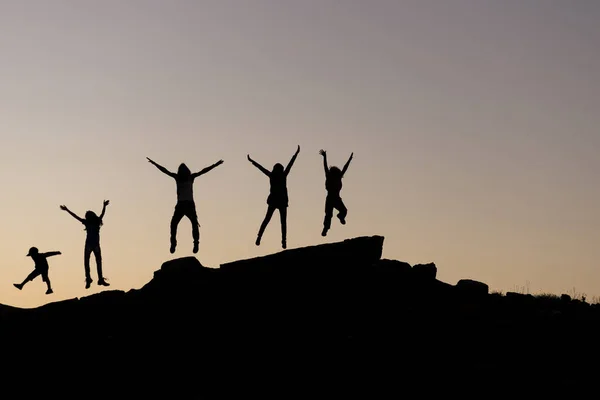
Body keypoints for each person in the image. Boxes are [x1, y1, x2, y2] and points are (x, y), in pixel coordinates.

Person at [147, 157, 224, 254]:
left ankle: (195, 243)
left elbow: (204, 171)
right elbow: (165, 170)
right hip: (182, 205)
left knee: (193, 224)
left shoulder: (190, 177)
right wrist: (155, 164)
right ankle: (174, 243)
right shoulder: (178, 177)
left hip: (188, 204)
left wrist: (215, 165)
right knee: (174, 224)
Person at [247, 145, 300, 249]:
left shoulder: (272, 175)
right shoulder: (282, 175)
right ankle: (283, 241)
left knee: (268, 220)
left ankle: (261, 237)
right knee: (282, 222)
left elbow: (260, 168)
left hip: (276, 201)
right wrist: (296, 154)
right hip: (280, 201)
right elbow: (290, 164)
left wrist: (252, 161)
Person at [60, 200, 110, 288]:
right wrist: (67, 210)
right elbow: (76, 216)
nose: (87, 217)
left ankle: (98, 279)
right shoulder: (90, 222)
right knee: (91, 262)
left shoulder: (95, 221)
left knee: (94, 262)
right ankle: (90, 279)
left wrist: (104, 206)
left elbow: (102, 214)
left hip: (93, 245)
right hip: (91, 245)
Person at [319, 149, 353, 237]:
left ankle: (340, 216)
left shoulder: (338, 177)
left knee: (344, 211)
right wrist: (325, 157)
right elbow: (325, 167)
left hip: (336, 198)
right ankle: (325, 229)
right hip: (330, 198)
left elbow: (345, 168)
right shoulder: (329, 176)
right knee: (328, 215)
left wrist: (349, 160)